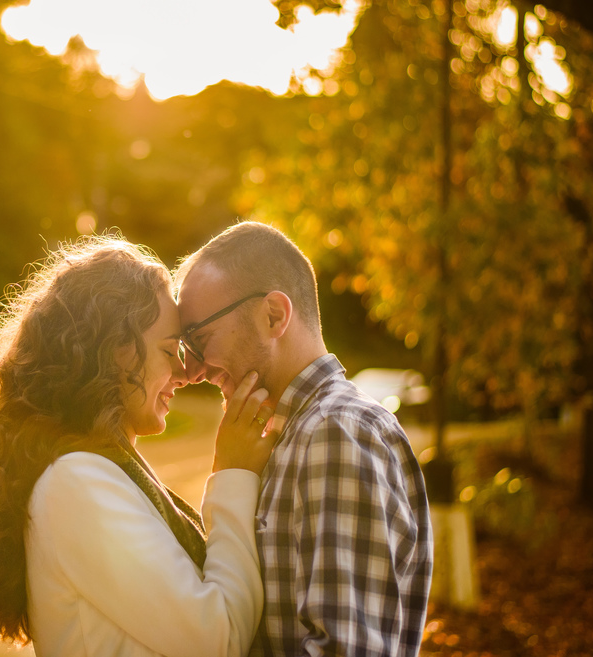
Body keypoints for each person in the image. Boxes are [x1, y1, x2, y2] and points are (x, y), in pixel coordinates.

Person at [0, 235, 280, 657]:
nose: (184, 374)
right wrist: (233, 474)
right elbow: (220, 638)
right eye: (169, 350)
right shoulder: (76, 484)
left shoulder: (89, 472)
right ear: (114, 354)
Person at [174, 221, 433, 657]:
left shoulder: (337, 433)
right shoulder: (294, 435)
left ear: (273, 316)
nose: (193, 370)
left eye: (200, 339)